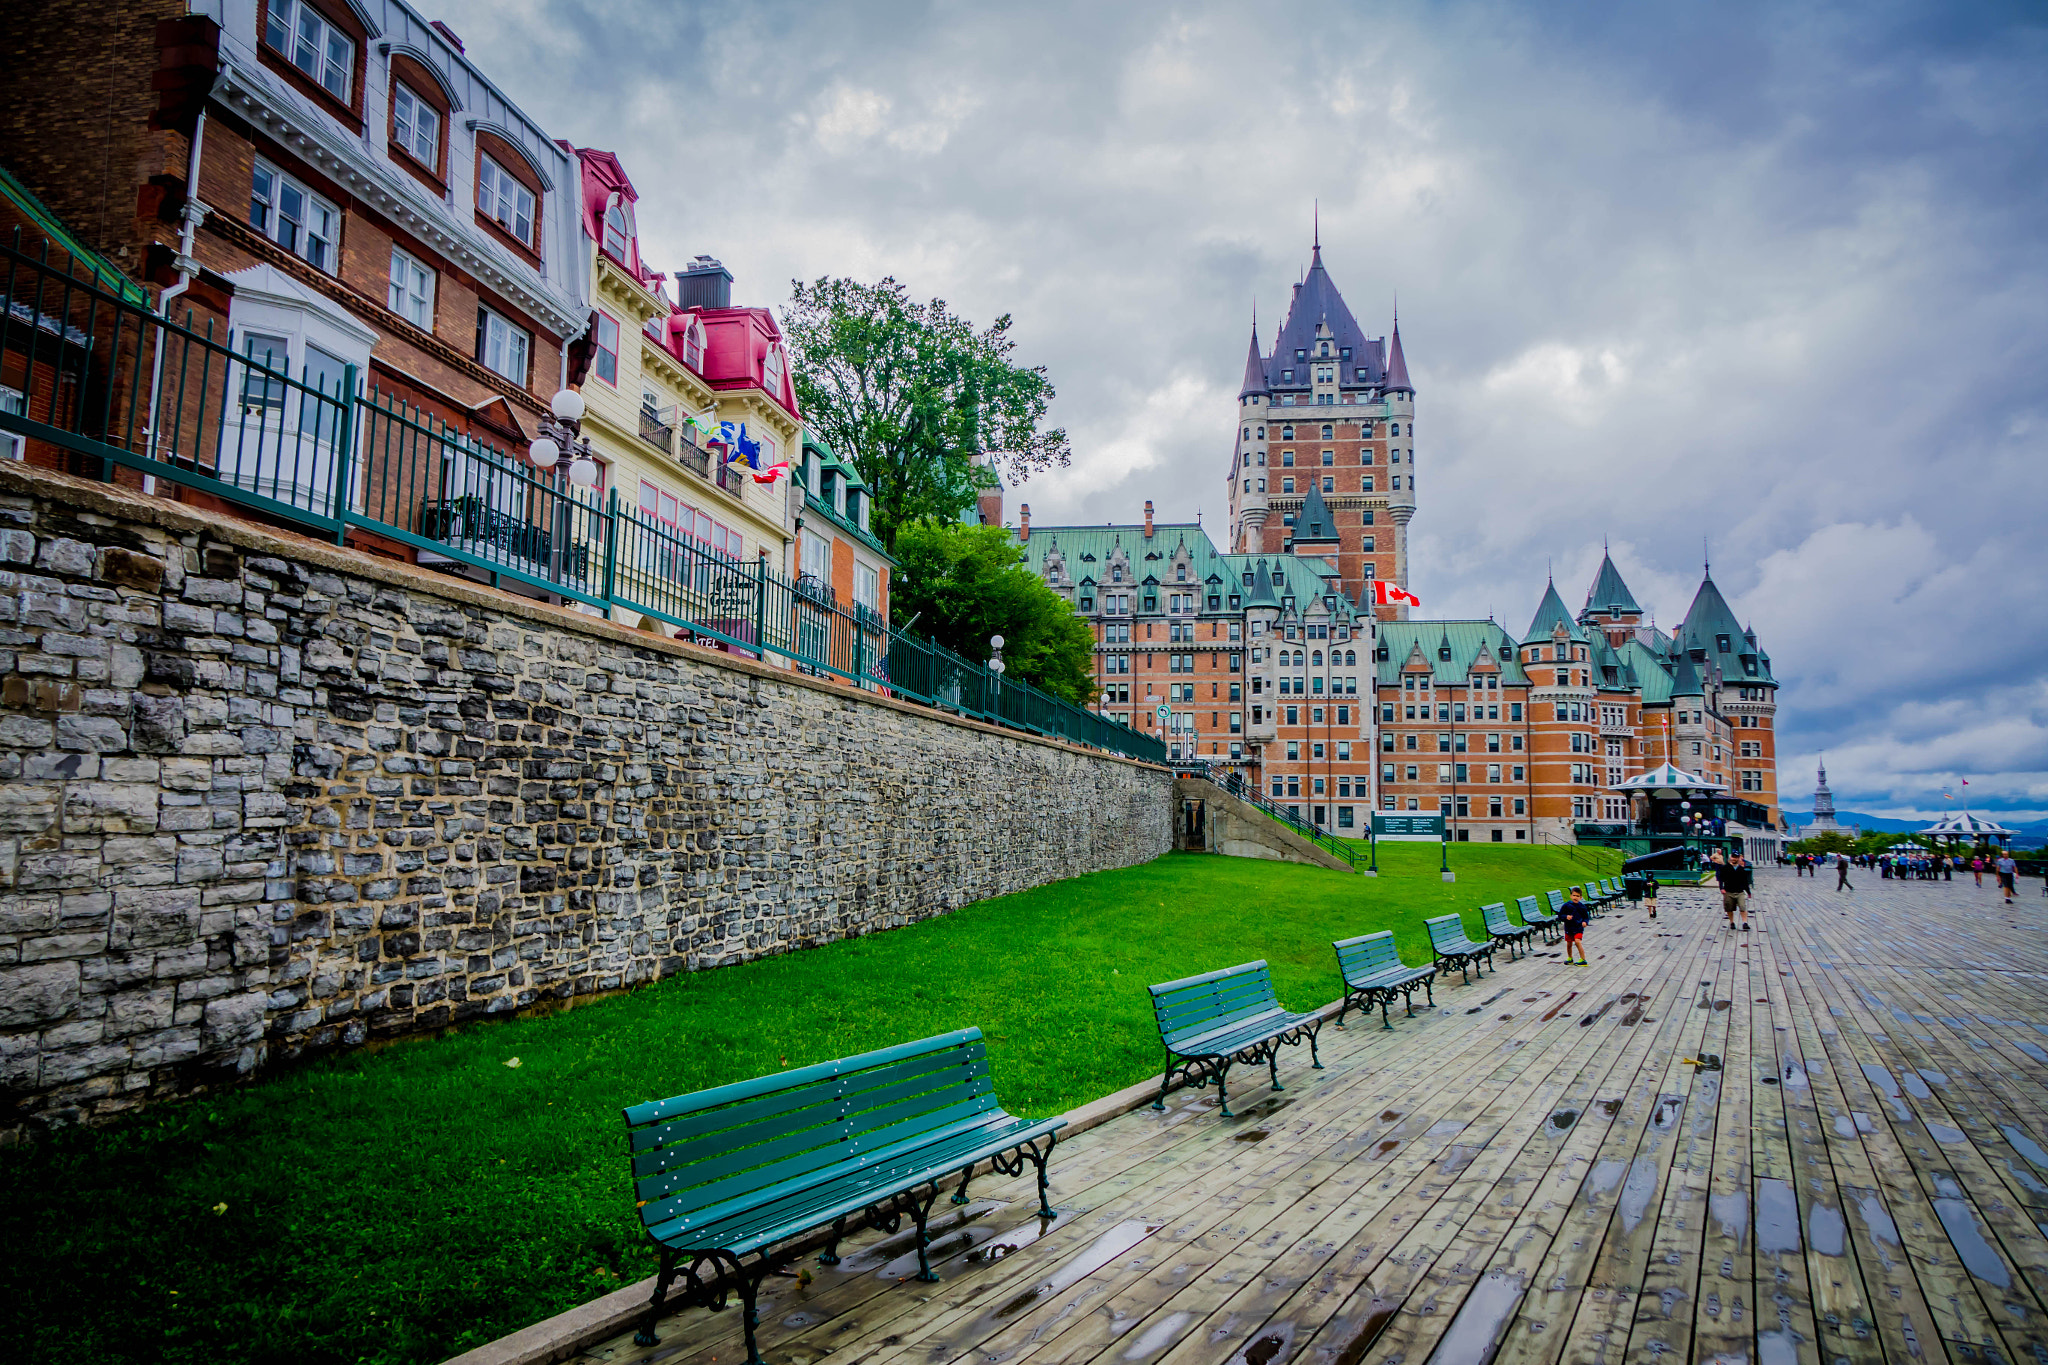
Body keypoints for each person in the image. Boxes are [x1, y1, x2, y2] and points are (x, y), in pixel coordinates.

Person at [1717, 855, 1753, 932]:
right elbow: (1720, 879)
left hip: (1740, 891)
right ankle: (1732, 922)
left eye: (1736, 857)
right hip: (1728, 891)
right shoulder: (1725, 868)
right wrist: (1721, 888)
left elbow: (1745, 882)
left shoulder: (1741, 869)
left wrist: (1748, 892)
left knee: (1742, 907)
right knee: (1729, 908)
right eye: (1733, 857)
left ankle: (1745, 923)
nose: (1734, 859)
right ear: (1730, 858)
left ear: (1738, 858)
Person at [1560, 886, 1590, 964]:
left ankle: (1583, 959)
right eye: (1574, 895)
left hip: (1578, 927)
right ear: (1571, 896)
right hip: (1569, 928)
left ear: (1581, 897)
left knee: (1577, 941)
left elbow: (1586, 917)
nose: (1575, 897)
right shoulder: (1566, 905)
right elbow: (1560, 915)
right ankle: (1570, 958)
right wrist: (1566, 917)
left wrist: (1585, 922)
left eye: (1577, 896)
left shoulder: (1582, 907)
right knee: (1569, 943)